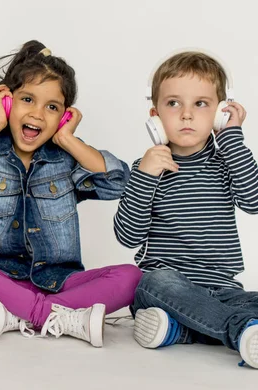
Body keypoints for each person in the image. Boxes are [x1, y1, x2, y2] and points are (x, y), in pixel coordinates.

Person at [0, 40, 141, 347]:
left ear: (64, 116)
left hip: (59, 282)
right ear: (7, 102)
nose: (37, 114)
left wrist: (68, 140)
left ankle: (18, 315)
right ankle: (59, 317)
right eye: (27, 99)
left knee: (132, 276)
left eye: (52, 107)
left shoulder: (67, 161)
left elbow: (118, 181)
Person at [113, 49, 258, 368]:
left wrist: (232, 138)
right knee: (155, 281)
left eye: (201, 104)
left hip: (222, 291)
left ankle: (181, 332)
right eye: (174, 103)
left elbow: (254, 200)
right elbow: (127, 236)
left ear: (221, 112)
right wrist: (145, 177)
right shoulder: (147, 168)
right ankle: (239, 330)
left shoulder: (226, 163)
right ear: (155, 115)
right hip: (165, 288)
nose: (187, 115)